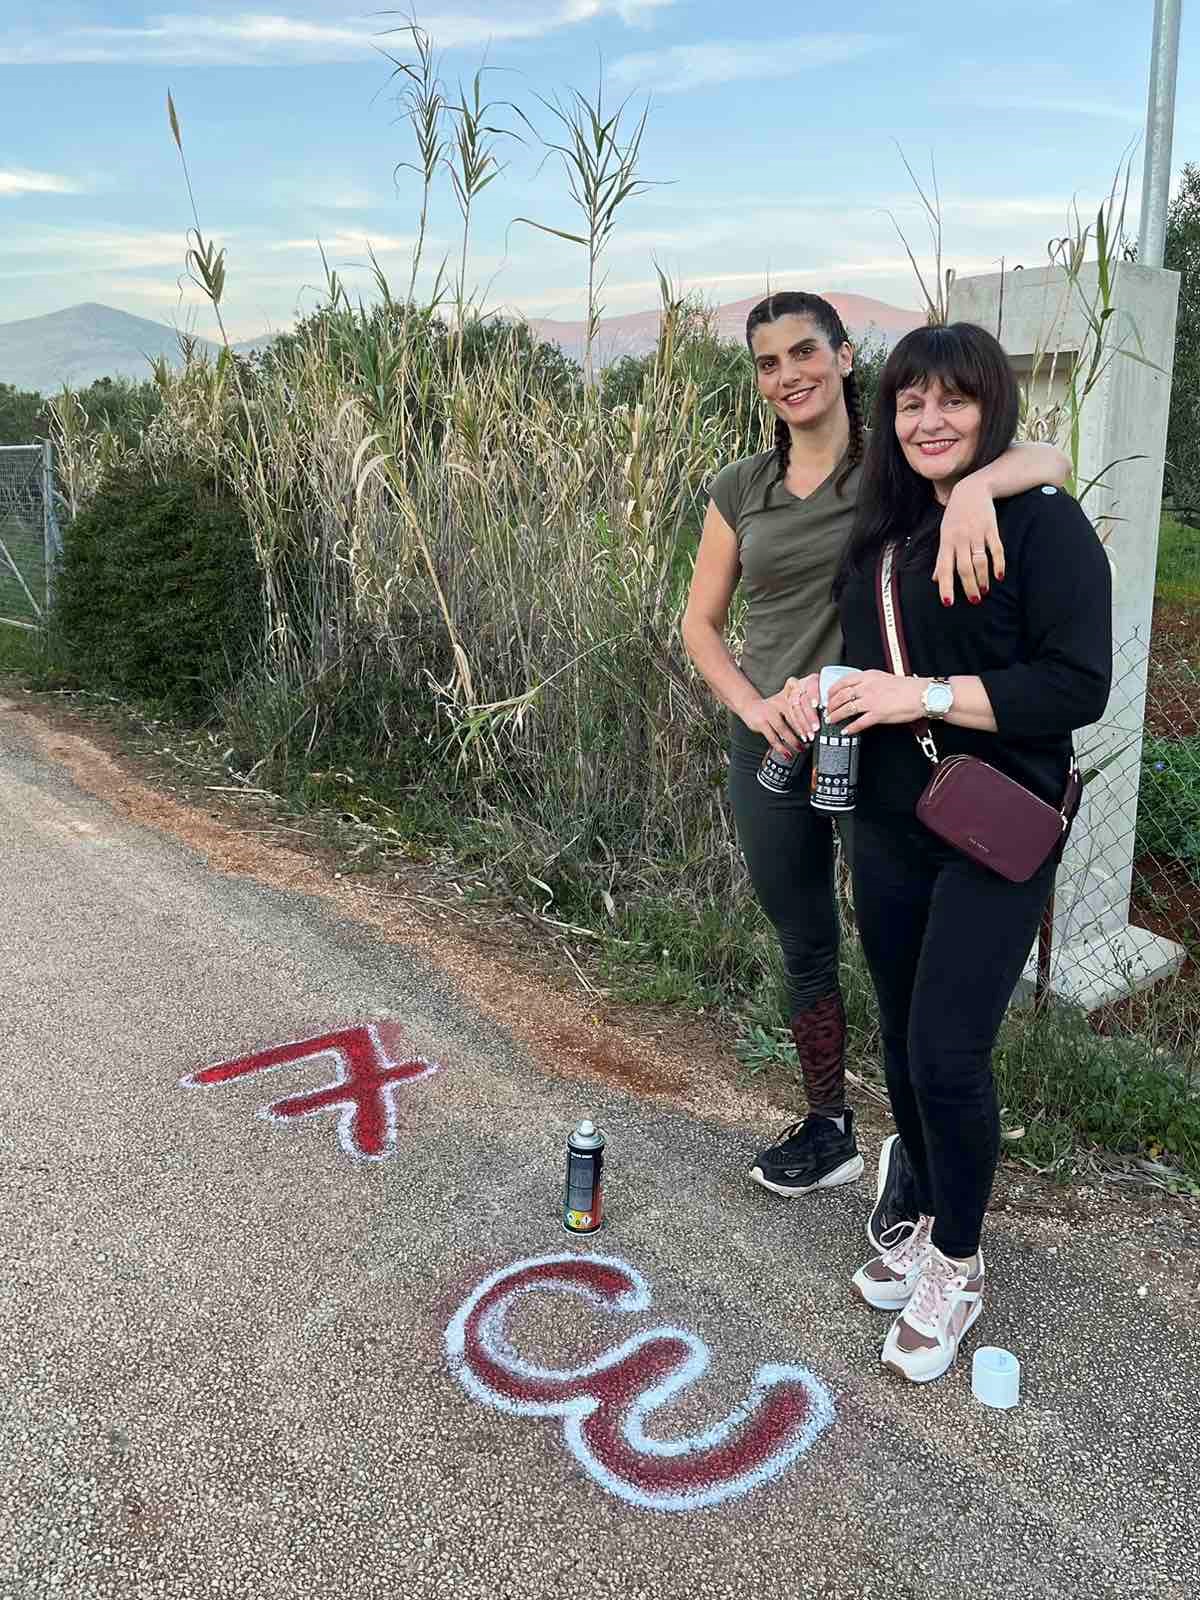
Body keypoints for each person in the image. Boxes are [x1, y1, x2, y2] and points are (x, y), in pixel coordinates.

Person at [681, 292, 1069, 1222]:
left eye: (805, 352)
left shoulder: (894, 468)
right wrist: (755, 706)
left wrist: (975, 490)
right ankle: (828, 1126)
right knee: (804, 937)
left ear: (846, 356)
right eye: (768, 363)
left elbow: (1050, 460)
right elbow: (700, 623)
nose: (789, 375)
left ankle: (919, 1153)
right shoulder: (741, 487)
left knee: (895, 953)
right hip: (775, 739)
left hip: (881, 746)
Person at [823, 321, 1112, 1383]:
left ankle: (957, 1258)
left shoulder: (1043, 524)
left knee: (949, 1050)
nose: (930, 420)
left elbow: (1076, 685)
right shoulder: (886, 530)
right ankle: (931, 1215)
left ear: (993, 409)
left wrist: (926, 697)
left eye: (954, 400)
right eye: (911, 403)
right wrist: (829, 695)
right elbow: (870, 660)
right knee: (903, 1042)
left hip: (993, 823)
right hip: (889, 824)